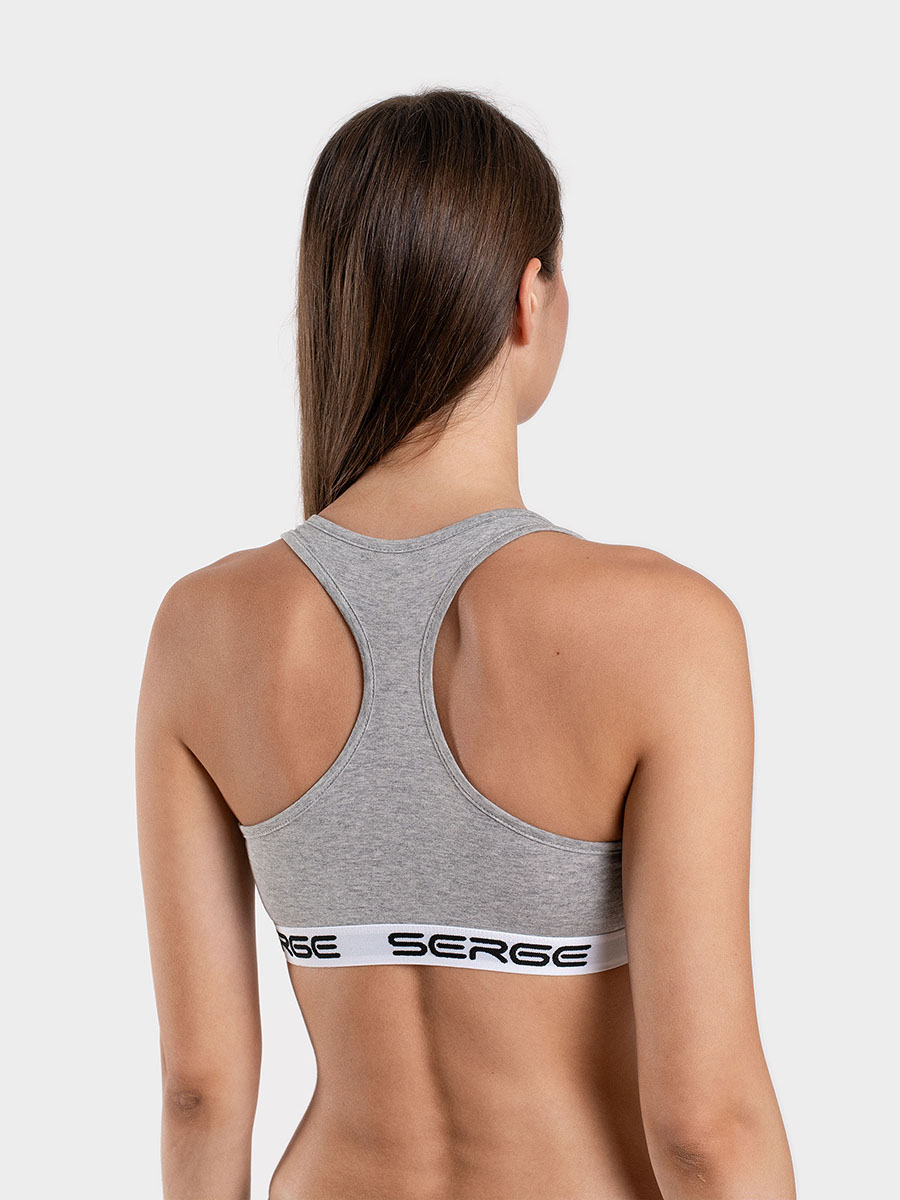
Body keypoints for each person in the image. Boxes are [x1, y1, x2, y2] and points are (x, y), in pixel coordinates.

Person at [136, 88, 796, 1200]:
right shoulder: (665, 629)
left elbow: (199, 1090)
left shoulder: (201, 630)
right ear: (529, 301)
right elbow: (705, 1125)